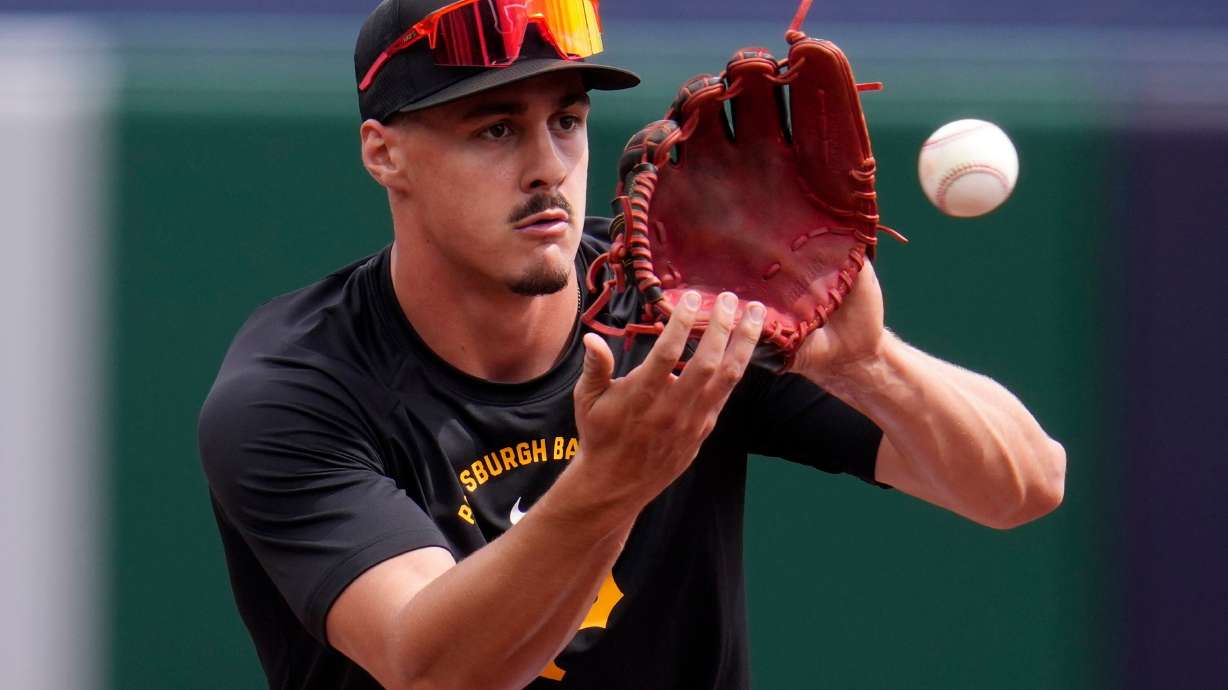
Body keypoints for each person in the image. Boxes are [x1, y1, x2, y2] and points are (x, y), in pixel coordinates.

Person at [198, 1, 1066, 689]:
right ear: (385, 156)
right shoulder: (293, 390)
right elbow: (439, 672)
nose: (547, 165)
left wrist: (867, 365)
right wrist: (616, 480)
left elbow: (1025, 486)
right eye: (495, 129)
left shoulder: (675, 305)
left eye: (567, 121)